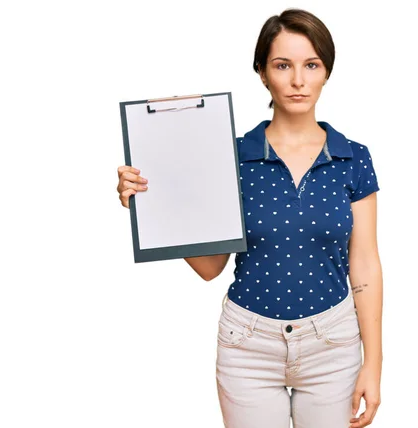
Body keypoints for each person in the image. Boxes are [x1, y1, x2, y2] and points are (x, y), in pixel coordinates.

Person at [116, 8, 382, 428]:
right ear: (262, 72)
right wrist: (153, 203)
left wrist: (374, 362)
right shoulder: (229, 158)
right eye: (283, 65)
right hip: (248, 347)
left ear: (326, 71)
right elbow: (210, 267)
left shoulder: (353, 157)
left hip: (333, 345)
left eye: (311, 65)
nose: (298, 80)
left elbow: (364, 263)